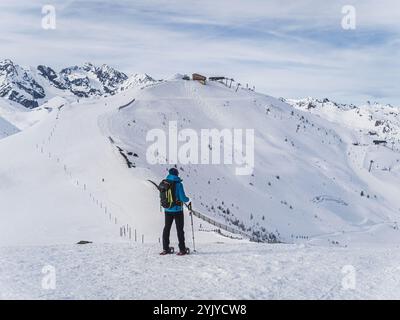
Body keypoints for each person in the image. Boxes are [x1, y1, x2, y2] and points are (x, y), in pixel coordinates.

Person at [160, 168, 190, 256]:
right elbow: (183, 198)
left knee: (167, 228)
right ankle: (182, 249)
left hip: (167, 209)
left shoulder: (164, 183)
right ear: (177, 174)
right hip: (177, 210)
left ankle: (165, 249)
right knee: (180, 230)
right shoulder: (178, 184)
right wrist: (188, 199)